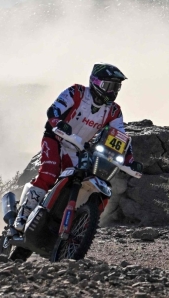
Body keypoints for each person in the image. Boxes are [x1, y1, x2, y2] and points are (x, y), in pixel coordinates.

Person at [13, 63, 140, 232]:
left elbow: (120, 137)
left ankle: (75, 224)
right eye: (109, 86)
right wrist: (57, 122)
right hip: (56, 138)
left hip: (79, 148)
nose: (113, 92)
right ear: (95, 82)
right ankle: (23, 215)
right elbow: (54, 109)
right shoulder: (77, 92)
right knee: (49, 173)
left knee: (84, 181)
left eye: (117, 87)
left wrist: (130, 160)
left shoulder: (114, 111)